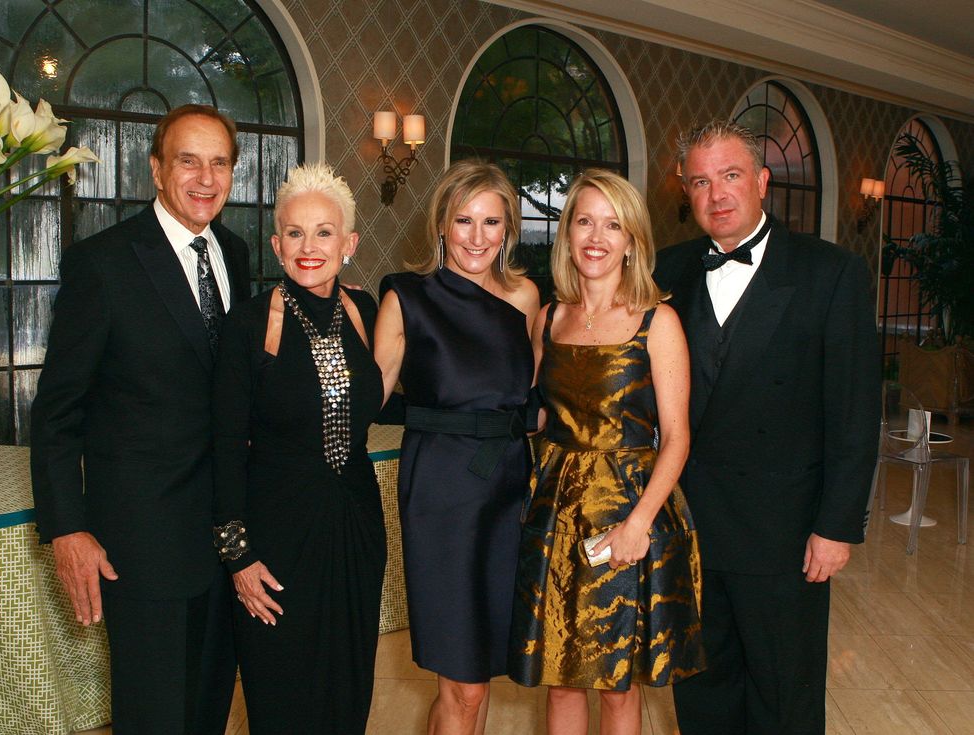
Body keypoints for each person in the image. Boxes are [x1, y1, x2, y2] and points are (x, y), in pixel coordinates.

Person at [653, 120, 880, 735]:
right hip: (692, 524)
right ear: (685, 190)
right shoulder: (663, 274)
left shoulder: (831, 272)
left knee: (786, 697)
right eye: (700, 181)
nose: (716, 194)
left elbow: (856, 415)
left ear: (762, 181)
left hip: (785, 533)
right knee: (701, 692)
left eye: (730, 176)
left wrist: (836, 526)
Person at [30, 104, 248, 733]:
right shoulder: (102, 263)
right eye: (188, 161)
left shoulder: (233, 252)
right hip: (142, 542)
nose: (205, 178)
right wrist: (67, 530)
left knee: (207, 709)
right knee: (153, 716)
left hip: (225, 536)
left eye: (219, 163)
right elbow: (56, 412)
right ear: (156, 170)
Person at [507, 169, 705, 735]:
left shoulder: (656, 321)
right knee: (562, 675)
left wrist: (640, 523)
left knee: (618, 683)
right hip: (557, 514)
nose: (597, 236)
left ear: (632, 240)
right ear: (568, 232)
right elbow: (545, 414)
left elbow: (677, 436)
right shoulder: (550, 317)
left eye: (612, 225)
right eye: (585, 221)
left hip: (628, 509)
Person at [210, 163, 385, 733]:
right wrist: (238, 556)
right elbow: (225, 445)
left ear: (350, 243)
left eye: (325, 232)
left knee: (348, 694)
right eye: (295, 232)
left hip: (355, 532)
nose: (310, 247)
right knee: (282, 700)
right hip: (276, 542)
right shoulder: (246, 325)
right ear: (276, 242)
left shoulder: (366, 312)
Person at [374, 159, 540, 734]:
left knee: (482, 670)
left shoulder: (525, 299)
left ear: (509, 228)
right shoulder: (407, 297)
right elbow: (368, 396)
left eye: (492, 222)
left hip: (509, 492)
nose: (477, 237)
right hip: (442, 493)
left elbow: (534, 401)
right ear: (441, 224)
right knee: (463, 679)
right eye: (464, 220)